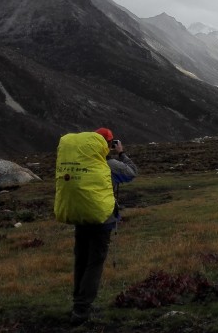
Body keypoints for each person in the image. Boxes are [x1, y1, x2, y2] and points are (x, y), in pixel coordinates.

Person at [55, 127, 138, 325]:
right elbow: (132, 173)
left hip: (80, 217)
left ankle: (78, 304)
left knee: (81, 260)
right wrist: (122, 153)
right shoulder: (108, 164)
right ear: (107, 144)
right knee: (95, 262)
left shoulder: (75, 162)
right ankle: (82, 310)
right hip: (102, 219)